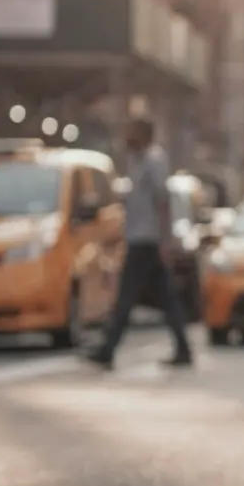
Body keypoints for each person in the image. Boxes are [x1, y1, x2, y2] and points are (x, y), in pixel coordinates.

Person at [86, 118, 192, 369]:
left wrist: (165, 241)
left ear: (144, 134)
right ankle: (183, 349)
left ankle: (108, 349)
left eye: (131, 132)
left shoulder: (154, 161)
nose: (126, 137)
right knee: (166, 299)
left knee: (126, 298)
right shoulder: (138, 161)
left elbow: (162, 202)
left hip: (147, 242)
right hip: (141, 239)